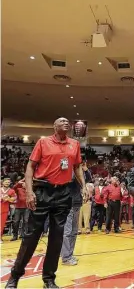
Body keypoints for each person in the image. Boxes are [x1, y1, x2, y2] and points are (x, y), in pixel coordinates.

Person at [5, 117, 89, 289]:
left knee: (57, 238)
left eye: (67, 121)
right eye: (62, 121)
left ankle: (49, 279)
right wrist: (29, 191)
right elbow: (30, 167)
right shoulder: (43, 142)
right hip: (43, 191)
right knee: (31, 237)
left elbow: (77, 167)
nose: (66, 123)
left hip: (64, 192)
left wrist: (84, 185)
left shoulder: (75, 144)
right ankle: (14, 277)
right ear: (54, 126)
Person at [61, 160, 92, 266]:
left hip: (77, 203)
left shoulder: (80, 171)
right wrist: (77, 169)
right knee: (67, 232)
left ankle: (70, 255)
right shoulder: (68, 170)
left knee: (74, 231)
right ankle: (65, 257)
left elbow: (88, 179)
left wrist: (85, 169)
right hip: (67, 203)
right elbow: (74, 179)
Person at [1, 179, 17, 243]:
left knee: (1, 224)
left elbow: (14, 200)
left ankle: (0, 237)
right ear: (2, 182)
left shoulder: (12, 191)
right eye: (6, 182)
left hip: (4, 209)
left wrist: (8, 198)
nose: (7, 183)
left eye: (8, 182)